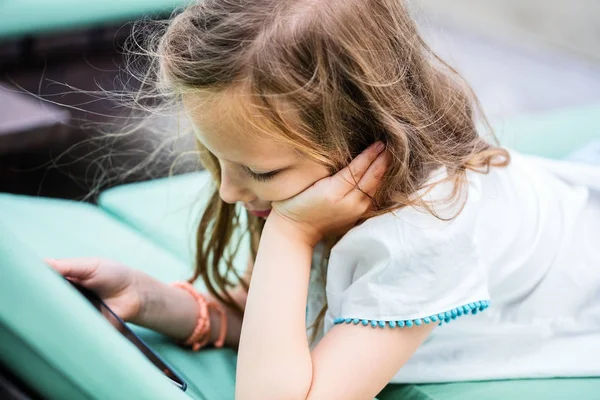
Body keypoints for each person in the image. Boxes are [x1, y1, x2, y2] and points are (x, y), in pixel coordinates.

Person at [46, 0, 600, 398]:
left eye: (258, 171)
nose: (228, 190)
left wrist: (290, 233)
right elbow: (285, 318)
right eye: (214, 157)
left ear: (364, 139)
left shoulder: (424, 235)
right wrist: (149, 301)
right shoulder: (319, 179)